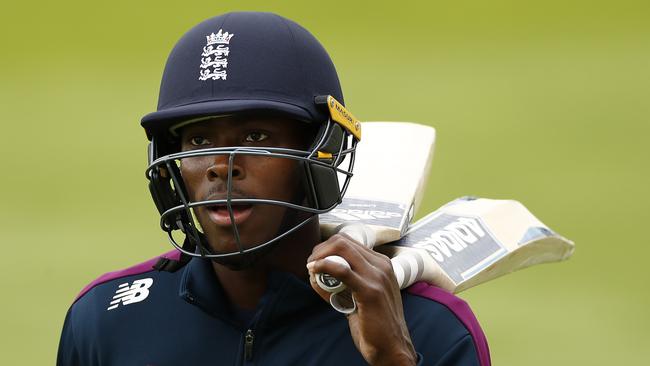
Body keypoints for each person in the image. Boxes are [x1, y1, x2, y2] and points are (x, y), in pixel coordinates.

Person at [57, 12, 490, 366]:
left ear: (324, 148)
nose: (221, 167)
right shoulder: (105, 322)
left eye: (256, 136)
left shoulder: (432, 330)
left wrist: (394, 358)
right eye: (199, 141)